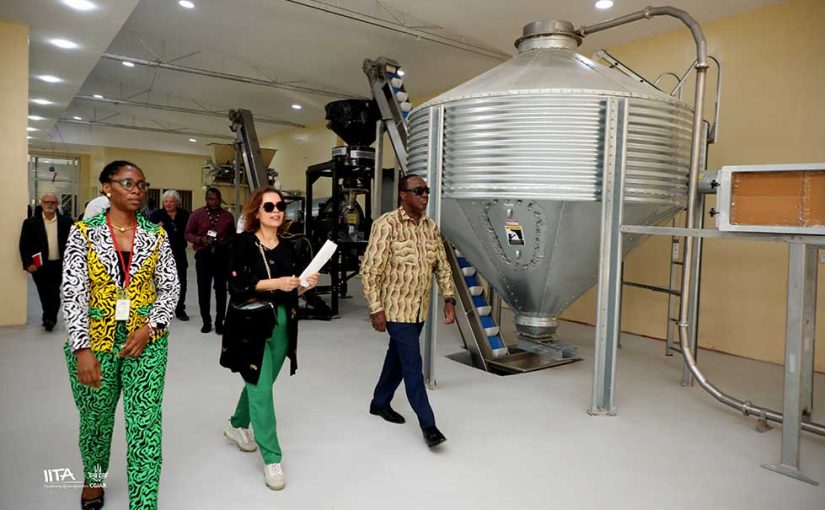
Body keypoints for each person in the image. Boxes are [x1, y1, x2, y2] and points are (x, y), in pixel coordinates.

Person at [62, 160, 180, 510]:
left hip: (146, 342)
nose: (136, 190)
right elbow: (73, 292)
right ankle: (93, 480)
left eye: (142, 184)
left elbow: (170, 288)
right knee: (96, 421)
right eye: (128, 183)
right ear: (107, 187)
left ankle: (144, 503)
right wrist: (81, 349)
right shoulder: (83, 233)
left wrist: (151, 327)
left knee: (145, 424)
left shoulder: (156, 235)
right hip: (96, 341)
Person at [221, 186, 318, 491]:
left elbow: (291, 290)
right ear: (256, 212)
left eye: (280, 206)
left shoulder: (288, 248)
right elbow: (237, 284)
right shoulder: (243, 243)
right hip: (249, 325)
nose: (276, 211)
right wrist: (277, 282)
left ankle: (236, 425)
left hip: (282, 325)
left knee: (260, 383)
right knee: (262, 389)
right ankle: (272, 457)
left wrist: (303, 286)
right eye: (269, 206)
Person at [360, 174, 456, 448]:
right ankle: (429, 426)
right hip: (396, 310)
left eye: (426, 190)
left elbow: (442, 265)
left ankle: (379, 402)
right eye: (418, 190)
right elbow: (370, 271)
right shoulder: (386, 225)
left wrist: (449, 298)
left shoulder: (430, 227)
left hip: (418, 310)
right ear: (403, 194)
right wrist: (376, 309)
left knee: (397, 358)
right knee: (412, 364)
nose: (424, 195)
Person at [18, 193, 73, 331]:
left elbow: (73, 244)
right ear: (41, 203)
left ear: (57, 204)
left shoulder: (67, 222)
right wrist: (28, 263)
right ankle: (48, 316)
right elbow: (24, 245)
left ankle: (50, 318)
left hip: (59, 264)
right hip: (39, 265)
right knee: (43, 292)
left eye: (52, 202)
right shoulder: (30, 223)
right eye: (46, 202)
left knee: (54, 292)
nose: (49, 204)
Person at [185, 188, 235, 334]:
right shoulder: (197, 214)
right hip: (203, 255)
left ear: (220, 199)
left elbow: (233, 235)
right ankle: (206, 321)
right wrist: (200, 239)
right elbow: (187, 233)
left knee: (221, 290)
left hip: (221, 256)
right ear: (206, 199)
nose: (214, 202)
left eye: (216, 199)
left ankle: (220, 322)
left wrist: (226, 242)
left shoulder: (227, 216)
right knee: (203, 290)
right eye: (210, 199)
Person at [150, 190, 191, 321]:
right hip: (162, 254)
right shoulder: (156, 215)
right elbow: (147, 233)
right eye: (165, 201)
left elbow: (191, 231)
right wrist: (156, 228)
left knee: (181, 282)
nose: (168, 204)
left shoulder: (184, 214)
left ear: (177, 202)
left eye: (171, 201)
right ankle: (162, 309)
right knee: (162, 282)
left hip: (179, 253)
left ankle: (180, 308)